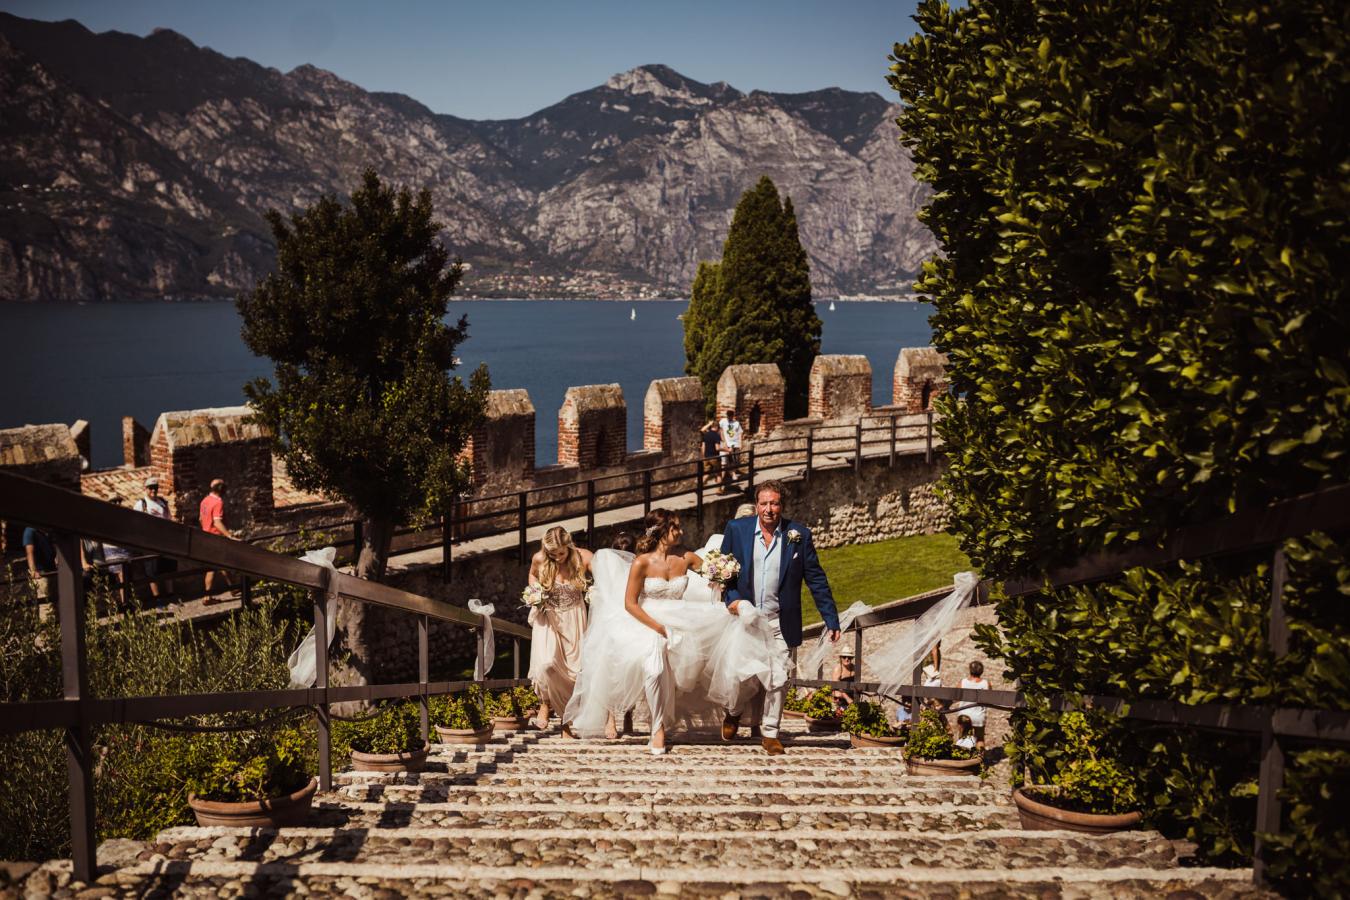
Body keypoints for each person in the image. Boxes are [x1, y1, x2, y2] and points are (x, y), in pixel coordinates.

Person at [566, 508, 762, 753]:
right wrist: (660, 629)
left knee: (718, 641)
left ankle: (733, 711)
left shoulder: (687, 557)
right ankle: (656, 729)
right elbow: (630, 603)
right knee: (654, 665)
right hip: (647, 621)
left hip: (683, 617)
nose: (681, 531)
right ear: (661, 531)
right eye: (675, 527)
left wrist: (722, 576)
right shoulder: (642, 562)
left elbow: (718, 574)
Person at [719, 480, 841, 755]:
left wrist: (830, 618)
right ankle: (734, 712)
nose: (769, 509)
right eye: (764, 503)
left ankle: (771, 732)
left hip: (778, 621)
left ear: (781, 506)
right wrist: (734, 600)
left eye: (774, 503)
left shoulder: (799, 535)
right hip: (745, 618)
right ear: (757, 505)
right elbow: (723, 573)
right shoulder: (736, 530)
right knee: (741, 676)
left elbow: (816, 579)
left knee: (779, 678)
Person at [527, 526, 593, 734]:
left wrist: (596, 592)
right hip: (549, 617)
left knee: (575, 672)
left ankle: (566, 719)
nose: (557, 558)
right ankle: (545, 702)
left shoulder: (582, 557)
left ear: (569, 545)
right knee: (547, 664)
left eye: (561, 553)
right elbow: (532, 575)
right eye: (552, 554)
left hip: (575, 618)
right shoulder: (539, 558)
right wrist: (536, 591)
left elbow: (606, 575)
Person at [133, 476, 172, 599]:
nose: (153, 490)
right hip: (149, 543)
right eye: (150, 488)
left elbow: (169, 520)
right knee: (151, 571)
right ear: (146, 489)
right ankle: (158, 599)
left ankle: (171, 596)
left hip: (165, 541)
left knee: (167, 569)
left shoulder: (163, 503)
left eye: (155, 487)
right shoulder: (141, 504)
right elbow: (135, 522)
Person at [199, 478, 236, 597]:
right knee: (213, 567)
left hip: (206, 536)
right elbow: (217, 522)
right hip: (216, 538)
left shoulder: (205, 500)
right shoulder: (218, 502)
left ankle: (233, 588)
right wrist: (229, 536)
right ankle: (207, 596)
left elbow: (200, 519)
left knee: (223, 565)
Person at [960, 660, 989, 750]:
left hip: (964, 713)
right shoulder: (985, 683)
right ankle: (979, 760)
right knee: (980, 738)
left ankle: (962, 759)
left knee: (963, 737)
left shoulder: (963, 682)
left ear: (970, 670)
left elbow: (955, 696)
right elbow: (990, 698)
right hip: (978, 715)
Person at [21, 525, 56, 599]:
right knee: (45, 602)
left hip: (52, 571)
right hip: (41, 573)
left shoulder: (45, 531)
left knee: (56, 600)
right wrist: (33, 571)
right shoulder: (30, 531)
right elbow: (29, 552)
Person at [832, 645, 856, 715]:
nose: (847, 659)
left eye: (849, 657)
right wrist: (847, 698)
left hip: (853, 698)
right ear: (840, 658)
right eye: (844, 657)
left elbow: (856, 684)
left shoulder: (854, 668)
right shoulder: (838, 669)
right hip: (841, 700)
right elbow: (836, 689)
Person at [699, 420, 722, 487]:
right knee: (719, 474)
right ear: (717, 427)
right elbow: (717, 448)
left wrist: (709, 424)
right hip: (715, 457)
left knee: (706, 474)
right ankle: (719, 489)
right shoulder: (716, 435)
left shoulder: (706, 434)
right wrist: (727, 450)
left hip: (706, 457)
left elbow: (702, 430)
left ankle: (699, 488)